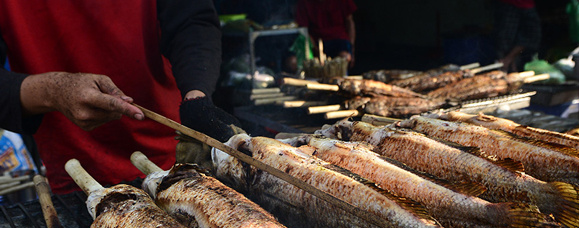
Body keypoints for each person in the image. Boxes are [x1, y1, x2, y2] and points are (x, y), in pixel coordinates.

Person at [0, 1, 239, 194]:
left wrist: (196, 95)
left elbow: (192, 19)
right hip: (75, 168)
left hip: (169, 150)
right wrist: (51, 91)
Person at [295, 0, 357, 68]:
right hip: (316, 42)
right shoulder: (304, 2)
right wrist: (315, 49)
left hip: (340, 41)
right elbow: (304, 30)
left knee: (345, 57)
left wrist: (351, 48)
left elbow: (350, 22)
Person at [493, 0, 542, 73]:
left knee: (531, 35)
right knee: (505, 43)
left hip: (524, 5)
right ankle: (506, 67)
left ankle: (509, 63)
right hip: (511, 5)